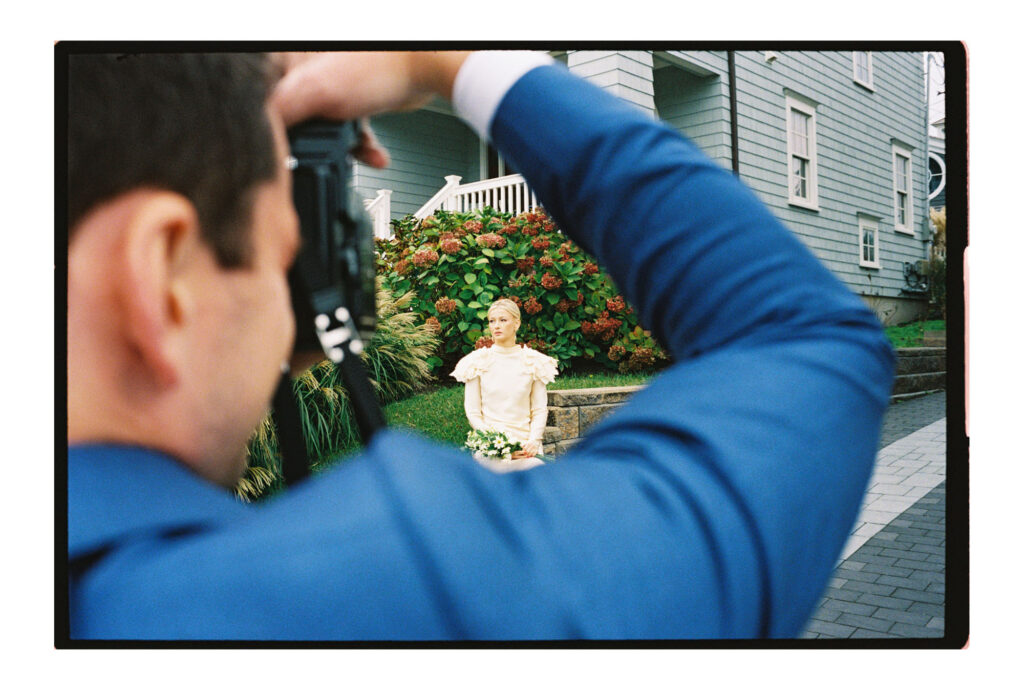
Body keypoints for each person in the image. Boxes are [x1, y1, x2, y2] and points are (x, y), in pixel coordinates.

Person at [65, 49, 894, 640]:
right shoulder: (388, 592)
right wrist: (458, 62)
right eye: (289, 253)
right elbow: (805, 341)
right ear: (161, 275)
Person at [451, 298, 558, 472]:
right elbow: (473, 413)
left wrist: (533, 441)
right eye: (492, 321)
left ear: (516, 323)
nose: (496, 326)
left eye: (503, 320)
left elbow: (539, 410)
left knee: (537, 473)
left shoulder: (534, 362)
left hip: (526, 448)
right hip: (491, 447)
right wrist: (500, 446)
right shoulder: (477, 362)